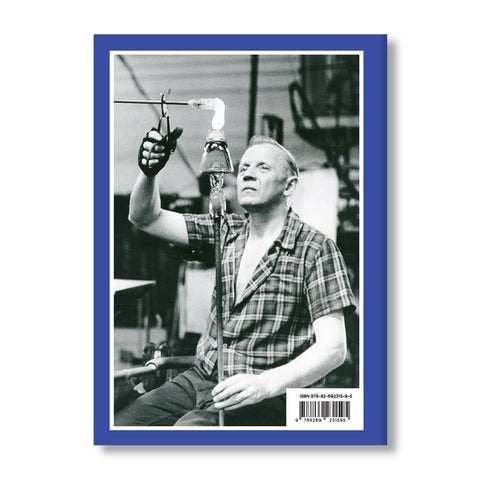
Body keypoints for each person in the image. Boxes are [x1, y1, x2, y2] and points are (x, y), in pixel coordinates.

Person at [114, 126, 356, 427]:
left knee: (187, 436)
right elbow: (145, 217)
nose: (248, 175)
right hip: (200, 379)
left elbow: (333, 349)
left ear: (289, 185)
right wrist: (149, 173)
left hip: (265, 394)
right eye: (243, 169)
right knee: (118, 425)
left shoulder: (315, 248)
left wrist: (267, 383)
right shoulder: (226, 231)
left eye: (263, 168)